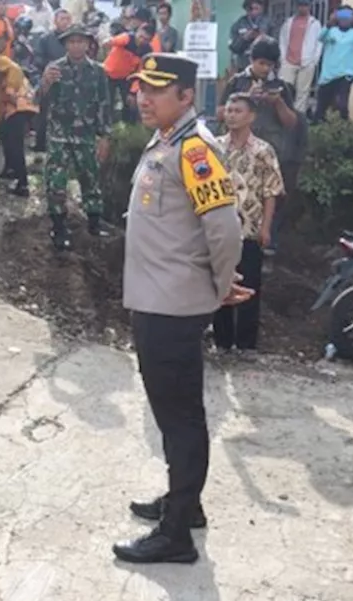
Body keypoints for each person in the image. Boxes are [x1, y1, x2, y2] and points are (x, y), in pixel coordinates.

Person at [114, 53, 247, 565]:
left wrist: (217, 287)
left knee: (180, 416)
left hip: (172, 305)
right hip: (158, 297)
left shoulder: (194, 150)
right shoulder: (168, 139)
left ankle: (176, 536)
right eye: (141, 88)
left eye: (158, 90)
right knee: (174, 415)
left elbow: (225, 228)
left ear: (187, 96)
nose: (144, 98)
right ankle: (183, 504)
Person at [214, 93, 283, 354]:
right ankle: (221, 341)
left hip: (249, 229)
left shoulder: (263, 151)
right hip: (219, 228)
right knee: (219, 282)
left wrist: (266, 227)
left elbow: (271, 191)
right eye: (229, 109)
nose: (231, 114)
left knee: (249, 285)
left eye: (238, 110)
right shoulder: (215, 147)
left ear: (251, 116)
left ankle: (246, 345)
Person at [219, 38, 301, 256]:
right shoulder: (236, 82)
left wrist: (277, 102)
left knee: (270, 197)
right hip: (235, 154)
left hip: (269, 154)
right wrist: (245, 101)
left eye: (270, 65)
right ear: (252, 60)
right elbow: (219, 112)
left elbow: (292, 122)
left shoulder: (281, 86)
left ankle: (266, 242)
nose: (265, 69)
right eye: (262, 63)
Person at [39, 23, 111, 250]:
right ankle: (59, 227)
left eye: (81, 41)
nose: (76, 45)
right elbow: (36, 100)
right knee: (56, 183)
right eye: (71, 41)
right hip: (60, 136)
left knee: (90, 179)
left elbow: (104, 105)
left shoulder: (98, 71)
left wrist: (105, 136)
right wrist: (45, 83)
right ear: (65, 45)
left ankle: (94, 222)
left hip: (86, 135)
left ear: (89, 44)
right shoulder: (54, 69)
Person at [0, 54, 37, 197]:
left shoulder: (13, 73)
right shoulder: (12, 73)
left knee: (15, 146)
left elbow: (6, 97)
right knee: (5, 138)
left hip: (18, 112)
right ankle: (10, 170)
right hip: (20, 111)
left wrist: (15, 102)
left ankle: (22, 183)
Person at [315, 6, 353, 122]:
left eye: (348, 16)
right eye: (341, 16)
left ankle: (343, 130)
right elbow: (320, 37)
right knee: (321, 107)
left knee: (341, 104)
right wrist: (330, 22)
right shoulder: (331, 31)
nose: (344, 20)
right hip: (328, 75)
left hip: (346, 74)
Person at [32, 9, 71, 154]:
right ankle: (40, 147)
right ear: (55, 21)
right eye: (62, 19)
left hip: (68, 85)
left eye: (68, 19)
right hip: (49, 82)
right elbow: (37, 63)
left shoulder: (72, 40)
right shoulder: (45, 39)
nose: (65, 22)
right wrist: (41, 81)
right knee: (44, 116)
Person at [277, 0, 322, 114]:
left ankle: (298, 118)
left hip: (307, 62)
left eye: (305, 5)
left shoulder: (314, 23)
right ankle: (284, 114)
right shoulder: (288, 22)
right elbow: (282, 40)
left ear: (309, 6)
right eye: (300, 5)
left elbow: (319, 43)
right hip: (288, 61)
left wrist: (314, 61)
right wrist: (282, 58)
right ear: (297, 6)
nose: (303, 8)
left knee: (303, 92)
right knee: (284, 90)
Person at [229, 0, 269, 73]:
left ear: (261, 8)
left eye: (256, 8)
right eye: (250, 8)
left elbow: (276, 44)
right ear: (246, 9)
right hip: (244, 66)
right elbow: (233, 47)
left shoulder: (269, 23)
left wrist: (262, 38)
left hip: (263, 66)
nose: (253, 11)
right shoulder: (239, 24)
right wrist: (244, 38)